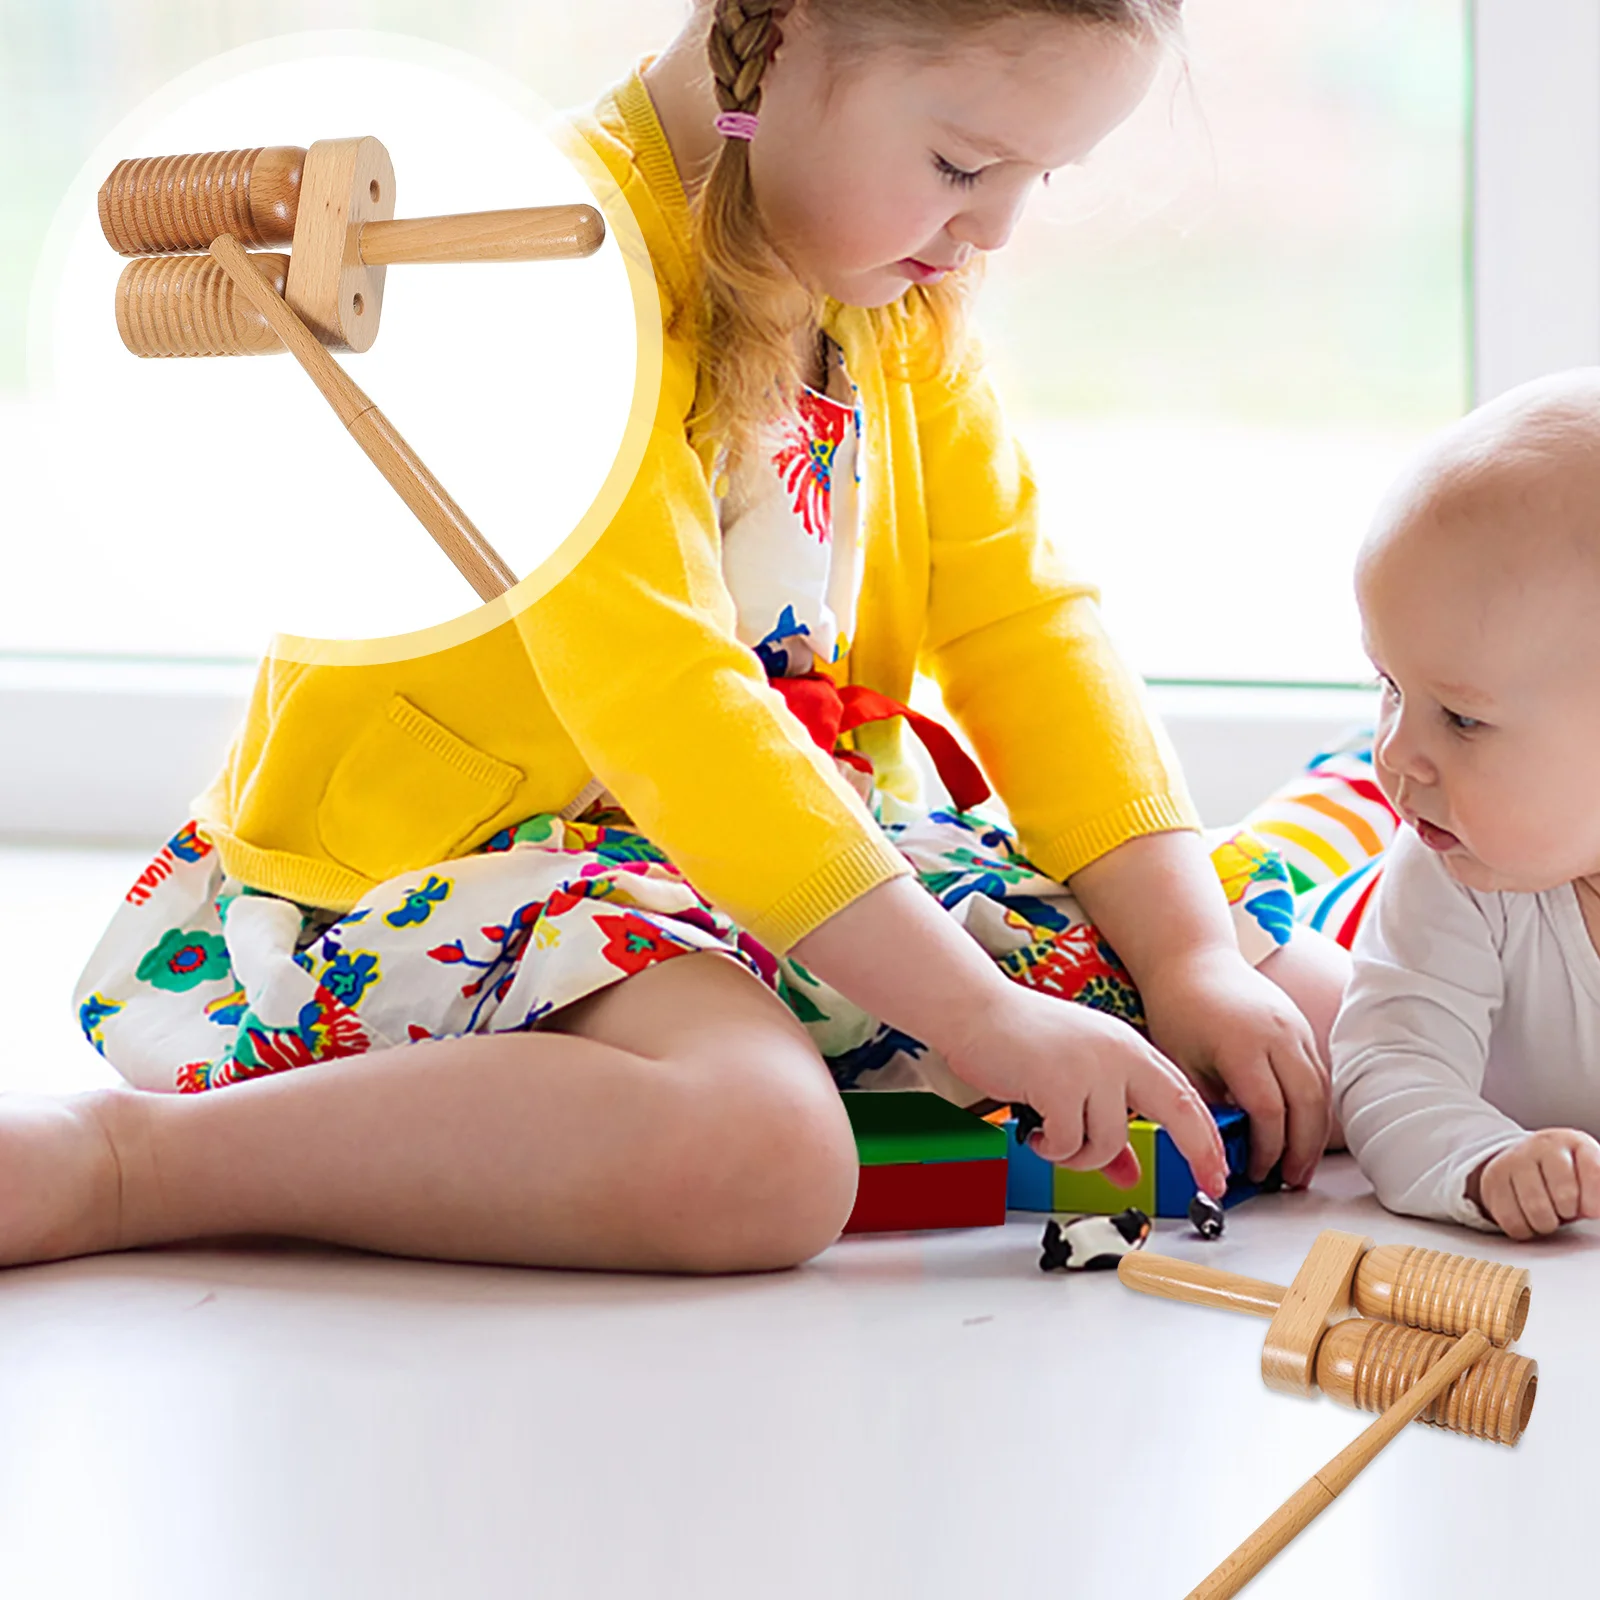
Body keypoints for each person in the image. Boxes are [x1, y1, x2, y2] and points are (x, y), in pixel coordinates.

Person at [41, 0, 1347, 1277]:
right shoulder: (542, 274)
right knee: (759, 1152)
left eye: (1038, 177)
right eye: (961, 166)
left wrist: (1188, 956)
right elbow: (667, 698)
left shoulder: (893, 284)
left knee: (1321, 1011)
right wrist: (978, 1013)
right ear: (775, 31)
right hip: (494, 864)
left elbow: (1026, 621)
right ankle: (139, 1163)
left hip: (784, 849)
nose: (997, 229)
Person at [1334, 368, 1600, 1241]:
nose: (1396, 750)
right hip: (1343, 909)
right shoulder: (1451, 865)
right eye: (1388, 686)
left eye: (1462, 718)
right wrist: (1482, 1161)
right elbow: (1389, 1066)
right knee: (1288, 999)